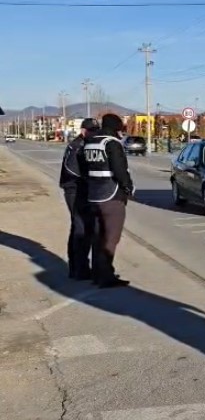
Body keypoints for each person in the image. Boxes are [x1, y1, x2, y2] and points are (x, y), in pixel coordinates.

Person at [79, 113, 134, 288]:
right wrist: (128, 188)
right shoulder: (112, 143)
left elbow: (83, 168)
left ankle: (97, 273)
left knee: (97, 236)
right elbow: (120, 171)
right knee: (111, 238)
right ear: (116, 127)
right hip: (111, 196)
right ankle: (106, 276)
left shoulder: (91, 141)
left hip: (93, 195)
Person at [59, 118, 99, 279]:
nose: (94, 134)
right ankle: (79, 269)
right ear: (83, 131)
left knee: (79, 227)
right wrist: (88, 179)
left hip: (81, 190)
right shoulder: (76, 146)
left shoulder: (86, 145)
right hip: (75, 190)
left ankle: (77, 267)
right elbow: (72, 170)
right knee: (81, 228)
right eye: (92, 131)